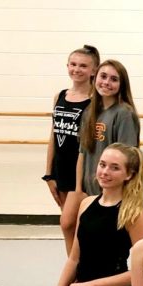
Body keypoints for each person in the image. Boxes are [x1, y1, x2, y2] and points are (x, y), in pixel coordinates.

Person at [17, 144, 143, 286]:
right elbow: (74, 258)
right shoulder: (86, 204)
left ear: (129, 174)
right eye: (102, 165)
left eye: (115, 168)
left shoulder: (133, 213)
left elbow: (142, 271)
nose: (105, 172)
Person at [44, 44, 99, 254]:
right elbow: (53, 135)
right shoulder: (60, 95)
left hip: (81, 172)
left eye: (83, 66)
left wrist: (81, 182)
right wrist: (49, 174)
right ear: (67, 65)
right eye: (73, 64)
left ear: (93, 70)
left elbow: (89, 144)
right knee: (69, 227)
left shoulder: (95, 100)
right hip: (60, 170)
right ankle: (74, 271)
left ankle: (80, 270)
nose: (77, 69)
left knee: (75, 225)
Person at [76, 59, 141, 197]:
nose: (106, 82)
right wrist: (78, 189)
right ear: (95, 78)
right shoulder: (89, 111)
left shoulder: (124, 113)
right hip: (89, 189)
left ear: (121, 85)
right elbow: (82, 153)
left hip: (112, 192)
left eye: (114, 79)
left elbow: (127, 159)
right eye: (103, 76)